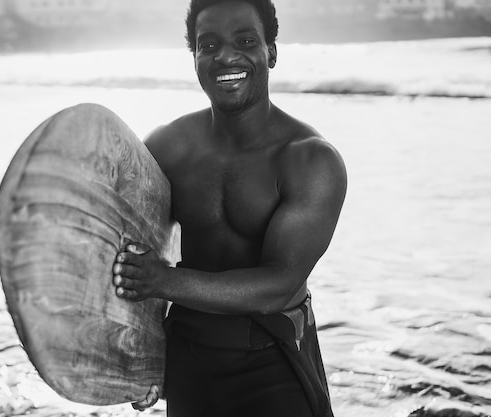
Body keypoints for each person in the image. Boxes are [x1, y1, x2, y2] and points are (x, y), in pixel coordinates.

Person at [112, 0, 346, 415]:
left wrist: (161, 282)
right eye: (208, 45)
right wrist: (146, 355)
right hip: (186, 357)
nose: (225, 56)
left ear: (270, 52)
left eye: (245, 40)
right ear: (195, 58)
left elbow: (278, 284)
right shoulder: (167, 146)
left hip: (273, 361)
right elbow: (129, 251)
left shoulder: (310, 161)